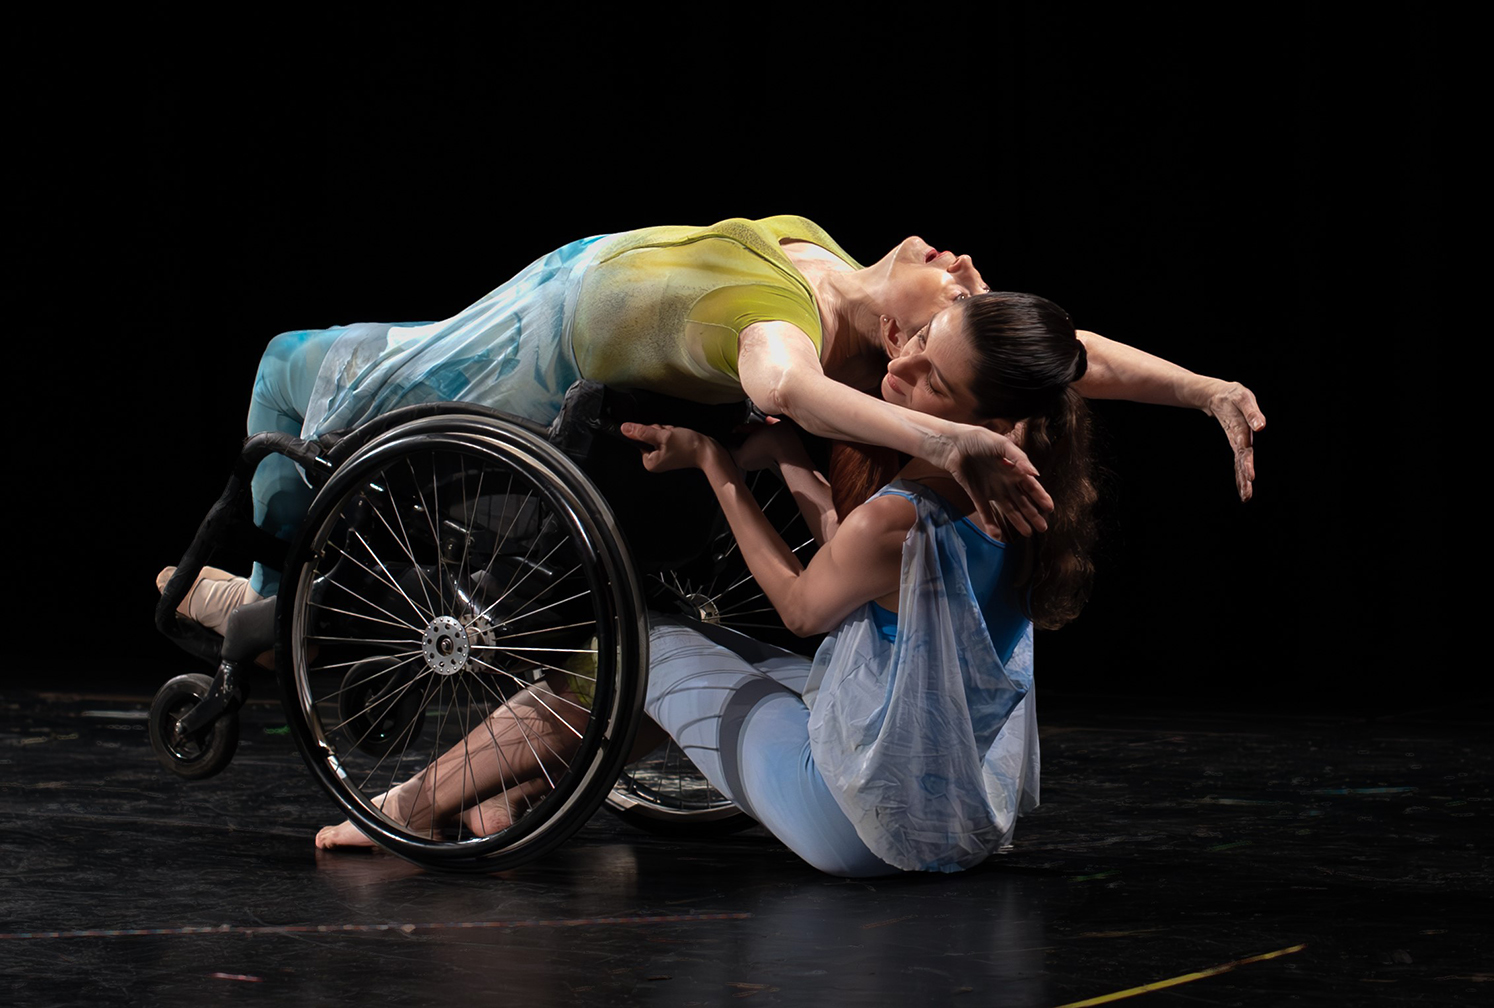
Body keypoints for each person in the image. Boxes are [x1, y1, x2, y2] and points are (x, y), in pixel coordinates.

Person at [315, 290, 1098, 876]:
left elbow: (802, 606)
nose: (904, 365)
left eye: (934, 383)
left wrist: (718, 467)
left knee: (632, 647)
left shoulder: (897, 518)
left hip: (852, 821)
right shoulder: (1023, 497)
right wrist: (787, 457)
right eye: (921, 339)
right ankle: (516, 793)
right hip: (949, 816)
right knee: (714, 661)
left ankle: (409, 807)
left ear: (992, 428)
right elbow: (854, 556)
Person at [162, 215, 1262, 629]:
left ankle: (267, 607)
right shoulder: (853, 285)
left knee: (288, 368)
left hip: (520, 351)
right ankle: (274, 600)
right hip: (535, 292)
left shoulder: (786, 328)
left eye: (959, 298)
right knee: (305, 369)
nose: (967, 264)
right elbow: (1065, 354)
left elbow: (790, 389)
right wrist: (1204, 387)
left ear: (907, 343)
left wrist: (954, 441)